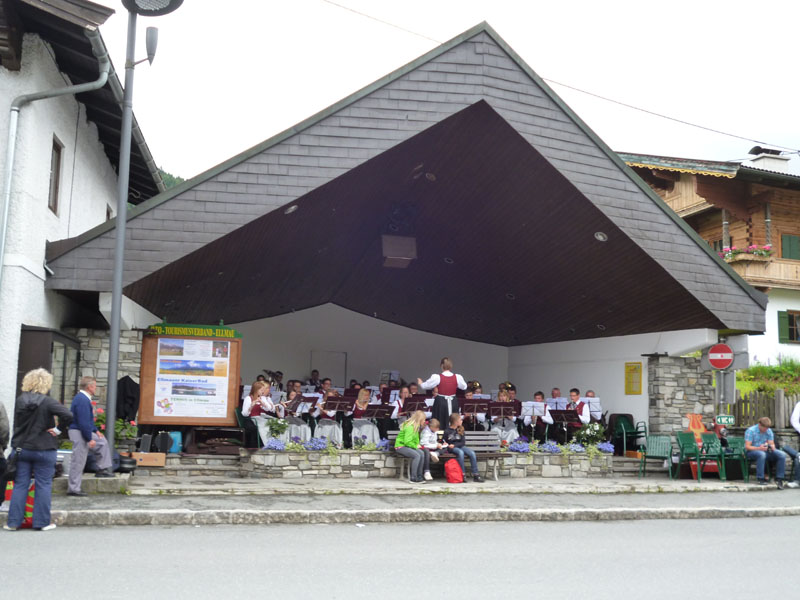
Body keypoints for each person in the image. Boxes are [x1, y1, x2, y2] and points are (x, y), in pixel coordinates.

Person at [5, 368, 73, 531]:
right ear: (46, 383)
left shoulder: (20, 400)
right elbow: (68, 415)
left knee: (20, 484)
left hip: (22, 448)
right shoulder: (48, 402)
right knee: (43, 485)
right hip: (44, 448)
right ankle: (41, 522)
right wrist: (57, 429)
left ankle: (13, 523)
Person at [67, 376, 114, 497]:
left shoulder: (83, 398)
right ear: (89, 387)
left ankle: (101, 469)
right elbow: (83, 422)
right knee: (78, 460)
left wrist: (96, 431)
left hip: (81, 430)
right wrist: (89, 438)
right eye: (95, 386)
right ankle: (73, 489)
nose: (96, 388)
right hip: (78, 432)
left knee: (102, 442)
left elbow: (88, 420)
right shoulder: (82, 400)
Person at [418, 357, 466, 426]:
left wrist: (421, 383)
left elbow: (425, 386)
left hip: (441, 402)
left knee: (440, 420)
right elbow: (464, 387)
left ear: (441, 366)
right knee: (453, 420)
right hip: (453, 401)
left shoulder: (437, 377)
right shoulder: (457, 377)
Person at [745, 417, 787, 488]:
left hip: (765, 450)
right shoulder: (751, 431)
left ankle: (779, 479)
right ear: (759, 425)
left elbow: (771, 443)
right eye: (764, 428)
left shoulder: (769, 431)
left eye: (767, 428)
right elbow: (747, 447)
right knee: (761, 454)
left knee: (782, 454)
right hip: (752, 451)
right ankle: (760, 478)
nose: (766, 430)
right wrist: (759, 448)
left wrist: (772, 446)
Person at [444, 413, 484, 483]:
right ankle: (462, 474)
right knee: (460, 453)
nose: (461, 421)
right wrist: (446, 444)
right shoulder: (447, 431)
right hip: (452, 448)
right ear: (455, 422)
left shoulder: (460, 429)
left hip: (460, 446)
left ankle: (476, 474)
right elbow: (444, 441)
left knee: (472, 453)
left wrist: (454, 445)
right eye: (460, 420)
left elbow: (463, 442)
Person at [394, 410, 428, 483]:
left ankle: (419, 476)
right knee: (417, 455)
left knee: (422, 453)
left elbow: (416, 440)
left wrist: (417, 445)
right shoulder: (410, 427)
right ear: (420, 419)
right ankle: (413, 477)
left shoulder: (416, 427)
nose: (424, 421)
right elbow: (407, 441)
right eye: (424, 420)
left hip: (408, 445)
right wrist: (415, 446)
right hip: (401, 446)